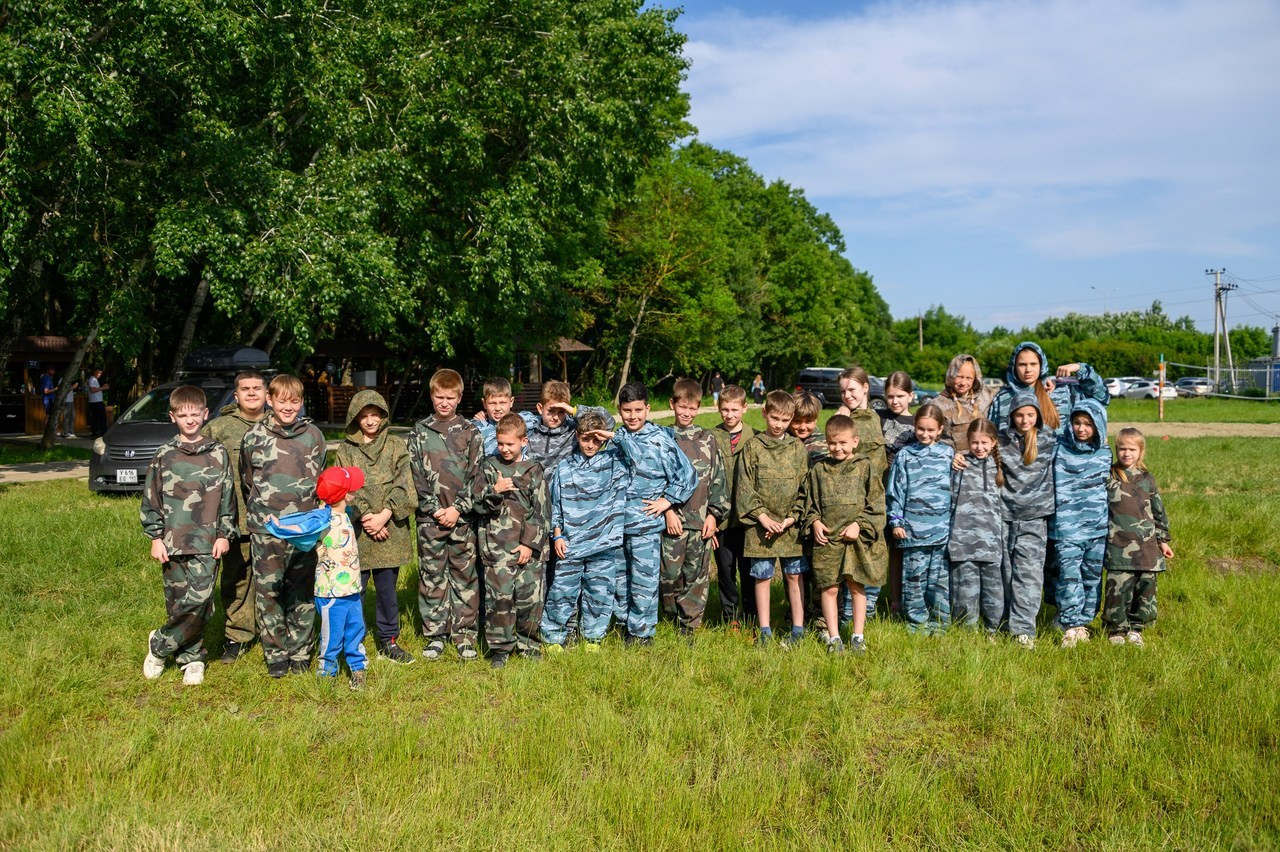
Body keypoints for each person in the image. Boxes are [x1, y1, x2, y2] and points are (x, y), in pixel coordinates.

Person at [140, 384, 235, 686]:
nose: (190, 420)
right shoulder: (164, 455)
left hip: (208, 541)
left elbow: (228, 498)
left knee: (203, 600)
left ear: (206, 414)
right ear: (173, 417)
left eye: (196, 414)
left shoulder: (218, 453)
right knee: (179, 603)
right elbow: (151, 498)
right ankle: (190, 658)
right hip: (172, 542)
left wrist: (224, 533)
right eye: (183, 415)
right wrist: (155, 537)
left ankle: (160, 644)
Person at [240, 374, 327, 678]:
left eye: (294, 401)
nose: (288, 407)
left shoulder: (314, 435)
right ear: (270, 400)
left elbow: (321, 478)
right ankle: (276, 653)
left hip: (304, 530)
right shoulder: (253, 438)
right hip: (268, 530)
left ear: (301, 402)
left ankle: (301, 651)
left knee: (301, 591)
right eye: (281, 401)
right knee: (270, 592)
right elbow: (247, 480)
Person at [408, 368, 483, 661]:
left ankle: (464, 635)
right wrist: (434, 507)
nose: (444, 402)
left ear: (459, 397)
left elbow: (477, 475)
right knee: (432, 577)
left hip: (462, 519)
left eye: (450, 397)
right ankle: (436, 634)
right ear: (431, 395)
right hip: (431, 519)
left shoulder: (470, 432)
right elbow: (414, 472)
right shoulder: (419, 431)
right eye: (439, 396)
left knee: (464, 577)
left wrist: (457, 508)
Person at [335, 389, 415, 663]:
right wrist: (368, 517)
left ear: (383, 416)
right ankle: (352, 642)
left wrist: (386, 514)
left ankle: (388, 640)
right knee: (353, 590)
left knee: (387, 591)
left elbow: (405, 482)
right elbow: (343, 488)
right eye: (364, 416)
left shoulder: (395, 446)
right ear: (355, 419)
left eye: (375, 415)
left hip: (390, 530)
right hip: (358, 530)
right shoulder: (346, 450)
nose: (370, 421)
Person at [542, 412, 634, 651]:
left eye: (596, 440)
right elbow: (556, 505)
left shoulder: (615, 462)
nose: (591, 444)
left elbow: (639, 455)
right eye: (585, 439)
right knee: (562, 592)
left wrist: (611, 436)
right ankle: (553, 637)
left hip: (604, 543)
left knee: (599, 594)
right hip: (571, 544)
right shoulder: (565, 467)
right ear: (577, 437)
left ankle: (593, 638)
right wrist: (558, 535)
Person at [614, 381, 697, 645]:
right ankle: (622, 625)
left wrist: (667, 502)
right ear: (620, 410)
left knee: (643, 582)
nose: (633, 416)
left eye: (638, 410)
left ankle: (641, 632)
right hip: (617, 524)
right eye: (627, 410)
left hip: (645, 524)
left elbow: (687, 476)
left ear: (648, 409)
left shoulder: (660, 439)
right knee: (619, 579)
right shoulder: (617, 437)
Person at [471, 414, 551, 668]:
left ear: (524, 441)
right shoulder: (488, 467)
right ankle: (500, 648)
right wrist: (494, 491)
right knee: (500, 600)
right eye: (500, 443)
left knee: (530, 599)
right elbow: (476, 505)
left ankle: (529, 644)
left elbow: (542, 512)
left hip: (528, 549)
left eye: (510, 444)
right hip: (497, 547)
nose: (504, 449)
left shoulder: (533, 470)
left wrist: (529, 544)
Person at [801, 414, 882, 654]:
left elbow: (876, 503)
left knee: (856, 586)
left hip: (855, 541)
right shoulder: (819, 470)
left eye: (843, 443)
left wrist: (860, 524)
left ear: (855, 441)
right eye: (832, 443)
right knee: (829, 587)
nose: (837, 448)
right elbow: (809, 503)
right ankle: (834, 638)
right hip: (827, 541)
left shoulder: (865, 467)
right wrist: (814, 521)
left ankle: (858, 636)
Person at [201, 369, 266, 663]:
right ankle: (237, 635)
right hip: (235, 519)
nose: (252, 393)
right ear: (235, 394)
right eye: (245, 388)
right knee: (237, 579)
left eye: (257, 388)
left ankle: (272, 633)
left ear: (267, 393)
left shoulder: (283, 423)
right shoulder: (218, 429)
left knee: (275, 580)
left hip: (276, 520)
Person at [735, 389, 809, 646]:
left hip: (790, 527)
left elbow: (805, 489)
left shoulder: (797, 448)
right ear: (764, 413)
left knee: (794, 576)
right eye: (775, 418)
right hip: (760, 529)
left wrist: (790, 519)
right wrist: (763, 517)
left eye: (785, 420)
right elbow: (745, 487)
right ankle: (764, 629)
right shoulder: (752, 448)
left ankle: (798, 628)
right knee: (763, 576)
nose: (779, 425)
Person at [988, 389, 1057, 648]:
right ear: (1011, 416)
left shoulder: (1049, 439)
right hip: (1004, 516)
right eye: (1019, 415)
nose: (1024, 420)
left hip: (1034, 518)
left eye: (1030, 414)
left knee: (1028, 575)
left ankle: (1023, 630)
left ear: (1038, 416)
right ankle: (1000, 622)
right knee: (1003, 573)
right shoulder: (1000, 439)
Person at [660, 379, 729, 637]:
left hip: (700, 522)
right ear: (672, 405)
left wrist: (714, 515)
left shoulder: (707, 439)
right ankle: (669, 615)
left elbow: (718, 479)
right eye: (682, 407)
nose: (686, 413)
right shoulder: (664, 438)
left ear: (699, 408)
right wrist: (667, 511)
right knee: (669, 575)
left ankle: (689, 624)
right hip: (672, 521)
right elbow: (656, 479)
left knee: (696, 576)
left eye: (692, 408)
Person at [886, 403, 955, 634]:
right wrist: (896, 522)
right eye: (921, 429)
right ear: (914, 428)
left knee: (939, 582)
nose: (925, 434)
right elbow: (895, 491)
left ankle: (940, 624)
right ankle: (917, 624)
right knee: (914, 581)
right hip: (913, 532)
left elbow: (956, 490)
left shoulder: (948, 454)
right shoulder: (905, 455)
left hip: (941, 532)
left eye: (931, 430)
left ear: (940, 429)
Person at [1103, 428, 1174, 647]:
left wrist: (1163, 541)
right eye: (1122, 448)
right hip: (1118, 544)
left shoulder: (1147, 479)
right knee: (1118, 588)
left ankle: (1137, 629)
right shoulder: (1109, 475)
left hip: (1147, 546)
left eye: (1132, 449)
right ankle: (1116, 630)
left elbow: (1158, 511)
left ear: (1140, 451)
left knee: (1145, 589)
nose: (1126, 453)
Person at [1050, 399, 1110, 647]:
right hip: (1067, 529)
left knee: (1092, 578)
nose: (1082, 429)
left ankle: (1083, 622)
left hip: (1097, 529)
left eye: (1088, 424)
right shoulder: (1058, 448)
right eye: (1077, 423)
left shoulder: (1105, 452)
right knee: (1070, 577)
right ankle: (1071, 624)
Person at [835, 366, 888, 621]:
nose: (847, 395)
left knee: (871, 559)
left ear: (866, 388)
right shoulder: (842, 418)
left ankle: (864, 617)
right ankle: (845, 619)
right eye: (843, 391)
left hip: (872, 501)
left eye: (852, 390)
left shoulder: (876, 419)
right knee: (846, 565)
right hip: (845, 501)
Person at [310, 466, 370, 690]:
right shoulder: (320, 520)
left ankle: (358, 668)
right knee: (332, 636)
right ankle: (327, 673)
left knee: (356, 630)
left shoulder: (345, 514)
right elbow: (296, 529)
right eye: (351, 490)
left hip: (352, 590)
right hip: (330, 593)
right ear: (346, 495)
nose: (355, 492)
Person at [948, 419, 1006, 631]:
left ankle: (993, 630)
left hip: (992, 543)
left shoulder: (1000, 467)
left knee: (994, 592)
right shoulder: (960, 464)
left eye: (984, 442)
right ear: (967, 442)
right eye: (974, 443)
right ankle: (967, 632)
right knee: (965, 590)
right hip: (962, 542)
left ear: (993, 443)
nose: (979, 447)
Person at [987, 342, 1108, 434]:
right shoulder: (1003, 397)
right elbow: (991, 434)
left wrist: (1080, 368)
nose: (1028, 370)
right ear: (1014, 367)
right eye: (1022, 365)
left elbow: (1101, 398)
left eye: (1033, 364)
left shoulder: (1060, 391)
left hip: (1055, 464)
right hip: (1015, 465)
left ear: (1041, 365)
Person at [712, 385, 755, 625]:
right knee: (726, 572)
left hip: (748, 519)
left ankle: (752, 616)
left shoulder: (756, 437)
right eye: (725, 409)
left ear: (745, 408)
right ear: (719, 409)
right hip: (722, 520)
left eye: (734, 409)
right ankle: (731, 618)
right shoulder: (710, 437)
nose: (729, 414)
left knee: (749, 571)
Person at [517, 380, 614, 474]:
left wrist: (574, 411)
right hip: (534, 488)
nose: (555, 417)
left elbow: (608, 420)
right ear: (540, 408)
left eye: (561, 412)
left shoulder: (573, 429)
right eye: (551, 411)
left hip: (564, 488)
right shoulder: (529, 428)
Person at [879, 370, 915, 615]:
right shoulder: (877, 417)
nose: (895, 401)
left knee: (900, 549)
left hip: (905, 494)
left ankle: (902, 600)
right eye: (890, 396)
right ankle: (883, 600)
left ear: (911, 396)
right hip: (877, 491)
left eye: (900, 396)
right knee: (881, 548)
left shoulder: (917, 424)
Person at [935, 354, 994, 453]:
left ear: (975, 379)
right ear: (951, 376)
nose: (963, 382)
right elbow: (930, 436)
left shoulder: (987, 397)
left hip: (981, 462)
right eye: (959, 377)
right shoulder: (938, 404)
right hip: (955, 463)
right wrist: (951, 455)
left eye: (968, 378)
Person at [472, 377, 515, 457]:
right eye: (492, 403)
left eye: (502, 402)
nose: (498, 408)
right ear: (484, 403)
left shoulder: (525, 421)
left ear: (511, 402)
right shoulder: (475, 428)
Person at [87, 369, 110, 438]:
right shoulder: (92, 379)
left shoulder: (94, 380)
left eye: (100, 373)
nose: (99, 374)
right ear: (94, 372)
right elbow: (93, 390)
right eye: (98, 373)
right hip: (96, 401)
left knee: (96, 417)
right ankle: (101, 433)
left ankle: (96, 432)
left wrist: (102, 387)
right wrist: (103, 388)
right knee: (100, 418)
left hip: (96, 401)